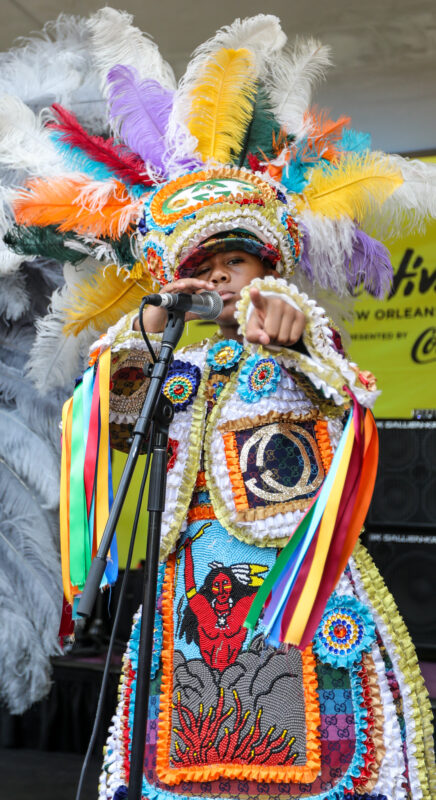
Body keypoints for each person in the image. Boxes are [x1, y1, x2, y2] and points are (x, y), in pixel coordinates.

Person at [4, 9, 435, 799]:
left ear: (270, 266)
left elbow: (341, 389)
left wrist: (291, 328)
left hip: (292, 581)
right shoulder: (180, 362)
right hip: (193, 588)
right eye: (205, 264)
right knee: (193, 759)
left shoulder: (302, 339)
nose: (222, 275)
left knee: (321, 762)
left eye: (237, 259)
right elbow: (106, 420)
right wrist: (149, 325)